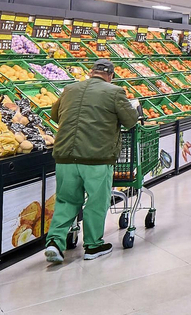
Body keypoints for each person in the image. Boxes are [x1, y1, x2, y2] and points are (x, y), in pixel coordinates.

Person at [47, 58, 138, 263]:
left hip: (65, 156)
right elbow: (131, 121)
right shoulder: (115, 92)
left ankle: (54, 242)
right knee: (96, 202)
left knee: (66, 201)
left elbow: (54, 115)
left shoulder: (70, 89)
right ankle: (93, 245)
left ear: (91, 72)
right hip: (96, 159)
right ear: (110, 76)